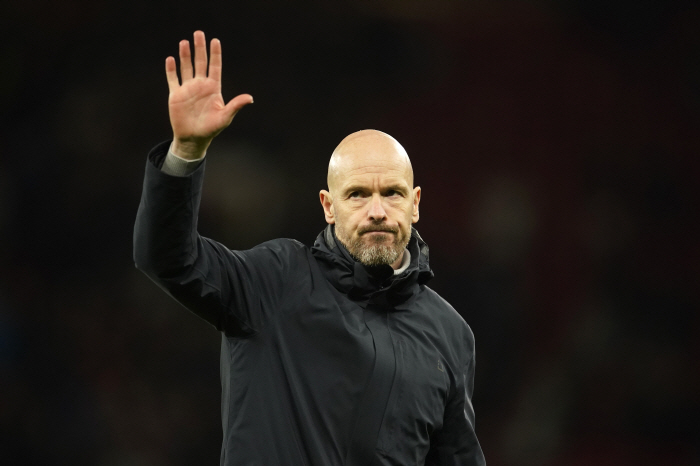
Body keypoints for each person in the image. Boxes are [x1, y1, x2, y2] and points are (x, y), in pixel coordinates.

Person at [134, 30, 485, 466]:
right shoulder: (275, 279)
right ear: (328, 207)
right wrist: (186, 152)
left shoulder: (450, 333)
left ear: (414, 204)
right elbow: (168, 258)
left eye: (392, 193)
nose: (377, 211)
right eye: (357, 194)